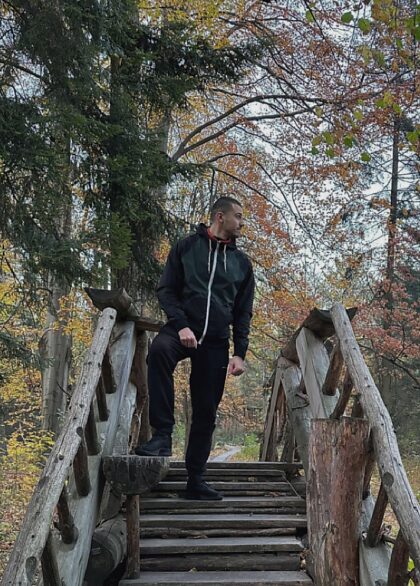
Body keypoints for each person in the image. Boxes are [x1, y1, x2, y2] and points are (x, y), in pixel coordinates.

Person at [136, 196, 254, 500]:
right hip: (180, 329)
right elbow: (166, 290)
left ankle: (196, 480)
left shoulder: (242, 264)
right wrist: (181, 324)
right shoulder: (187, 248)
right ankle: (162, 435)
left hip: (215, 341)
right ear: (220, 217)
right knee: (159, 351)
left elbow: (243, 312)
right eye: (238, 217)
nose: (242, 223)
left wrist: (240, 352)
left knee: (206, 411)